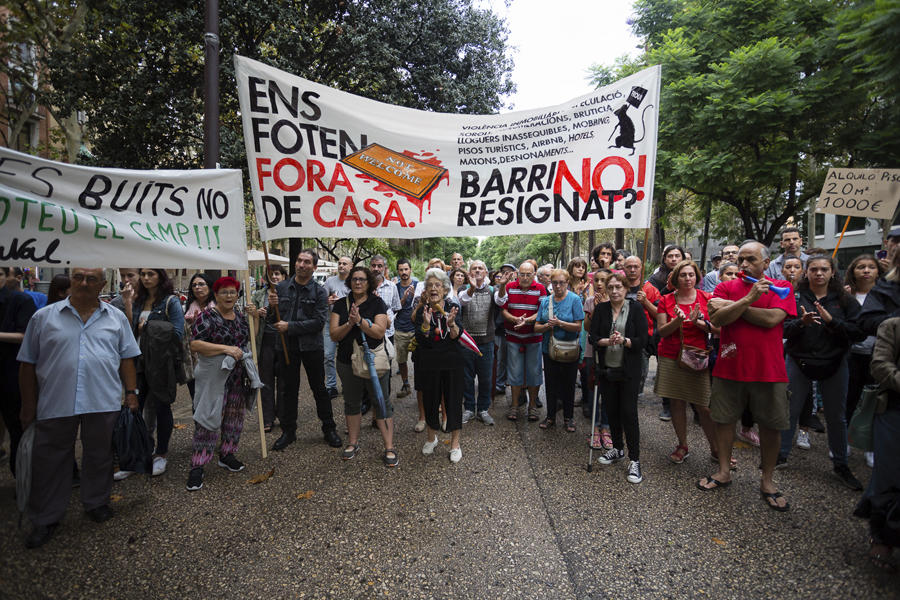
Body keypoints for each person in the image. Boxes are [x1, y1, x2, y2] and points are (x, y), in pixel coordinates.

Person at [18, 268, 140, 548]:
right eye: (78, 277)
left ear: (103, 284)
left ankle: (96, 502)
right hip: (56, 400)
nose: (84, 283)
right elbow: (27, 363)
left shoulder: (116, 317)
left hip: (102, 399)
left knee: (100, 455)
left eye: (92, 279)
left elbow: (127, 358)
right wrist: (28, 405)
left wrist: (131, 394)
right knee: (50, 460)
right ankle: (45, 517)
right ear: (71, 280)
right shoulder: (43, 317)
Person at [701, 242, 796, 512]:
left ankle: (767, 480)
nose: (743, 264)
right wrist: (746, 300)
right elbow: (717, 321)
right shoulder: (725, 286)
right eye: (741, 259)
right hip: (730, 368)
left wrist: (733, 308)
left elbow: (772, 319)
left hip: (769, 369)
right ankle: (723, 472)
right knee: (724, 420)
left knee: (770, 426)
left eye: (751, 259)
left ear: (766, 263)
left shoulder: (782, 287)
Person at [779, 254, 865, 488]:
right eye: (813, 269)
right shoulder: (794, 296)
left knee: (837, 417)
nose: (819, 273)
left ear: (832, 272)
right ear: (806, 272)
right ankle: (780, 455)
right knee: (790, 411)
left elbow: (859, 331)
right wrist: (801, 323)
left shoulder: (845, 299)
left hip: (834, 363)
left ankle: (841, 464)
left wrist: (832, 322)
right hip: (799, 361)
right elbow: (781, 328)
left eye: (824, 269)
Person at [654, 260, 727, 468]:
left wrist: (698, 323)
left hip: (697, 356)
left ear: (697, 277)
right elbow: (662, 331)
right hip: (671, 355)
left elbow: (721, 329)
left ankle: (716, 448)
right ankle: (682, 445)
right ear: (676, 278)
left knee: (703, 405)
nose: (688, 278)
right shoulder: (666, 300)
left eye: (691, 274)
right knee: (677, 403)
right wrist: (678, 321)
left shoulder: (708, 298)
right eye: (683, 275)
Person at [267, 248, 342, 451]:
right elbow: (273, 320)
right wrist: (271, 307)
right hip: (286, 347)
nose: (301, 265)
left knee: (319, 389)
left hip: (312, 347)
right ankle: (288, 431)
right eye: (299, 260)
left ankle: (329, 429)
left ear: (314, 267)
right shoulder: (280, 288)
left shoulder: (319, 292)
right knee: (289, 390)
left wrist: (289, 326)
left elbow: (318, 323)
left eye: (307, 262)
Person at [187, 277, 258, 490]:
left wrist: (255, 317)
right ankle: (197, 465)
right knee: (208, 418)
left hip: (237, 377)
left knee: (234, 419)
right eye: (224, 292)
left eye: (232, 292)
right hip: (213, 377)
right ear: (216, 295)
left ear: (237, 295)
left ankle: (227, 454)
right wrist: (226, 349)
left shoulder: (240, 317)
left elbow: (249, 339)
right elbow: (195, 345)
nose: (229, 296)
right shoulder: (207, 316)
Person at [117, 268, 183, 479]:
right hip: (137, 361)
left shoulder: (171, 302)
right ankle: (135, 455)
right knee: (133, 406)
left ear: (160, 276)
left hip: (160, 363)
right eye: (143, 274)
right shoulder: (138, 301)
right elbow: (129, 331)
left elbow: (177, 333)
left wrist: (148, 327)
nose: (146, 278)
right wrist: (128, 303)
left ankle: (161, 454)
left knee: (162, 407)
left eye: (151, 274)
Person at [329, 266, 397, 465]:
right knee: (351, 401)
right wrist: (349, 324)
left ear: (369, 282)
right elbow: (334, 334)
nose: (358, 282)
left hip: (374, 361)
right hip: (346, 361)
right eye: (354, 279)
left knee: (381, 401)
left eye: (362, 279)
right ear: (349, 282)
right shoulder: (341, 304)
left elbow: (379, 331)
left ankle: (389, 446)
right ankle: (353, 442)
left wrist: (359, 321)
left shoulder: (377, 303)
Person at [589, 273, 648, 484]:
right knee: (612, 410)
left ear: (626, 289)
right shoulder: (601, 309)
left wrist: (624, 341)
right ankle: (617, 448)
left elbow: (642, 340)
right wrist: (606, 341)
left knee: (629, 413)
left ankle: (635, 459)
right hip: (607, 369)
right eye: (611, 287)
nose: (614, 291)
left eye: (619, 287)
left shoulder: (636, 308)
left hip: (629, 370)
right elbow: (593, 337)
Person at [857, 317, 900, 573]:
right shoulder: (893, 326)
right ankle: (882, 538)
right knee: (889, 475)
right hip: (894, 409)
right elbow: (880, 366)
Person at [415, 268, 465, 462]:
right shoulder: (422, 311)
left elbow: (456, 336)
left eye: (438, 285)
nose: (433, 288)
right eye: (430, 285)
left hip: (452, 362)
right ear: (426, 290)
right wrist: (426, 325)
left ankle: (455, 444)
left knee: (454, 402)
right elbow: (421, 340)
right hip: (429, 363)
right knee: (430, 401)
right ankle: (431, 438)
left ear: (445, 289)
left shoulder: (453, 308)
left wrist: (451, 323)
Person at [844, 254, 885, 468]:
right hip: (851, 354)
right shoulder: (846, 294)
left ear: (879, 271)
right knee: (849, 399)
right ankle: (845, 441)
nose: (866, 270)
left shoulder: (885, 295)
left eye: (871, 267)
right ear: (853, 271)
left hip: (878, 356)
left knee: (874, 402)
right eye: (861, 267)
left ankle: (871, 446)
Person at [496, 261, 547, 422]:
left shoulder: (540, 288)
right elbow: (503, 311)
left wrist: (527, 321)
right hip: (513, 337)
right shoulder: (509, 287)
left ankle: (532, 406)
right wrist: (516, 319)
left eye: (528, 274)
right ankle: (514, 405)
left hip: (534, 337)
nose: (525, 277)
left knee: (534, 372)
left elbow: (542, 311)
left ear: (534, 275)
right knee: (514, 371)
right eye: (522, 274)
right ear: (517, 274)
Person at [535, 269, 584, 432]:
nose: (558, 286)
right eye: (555, 282)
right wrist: (546, 326)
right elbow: (536, 327)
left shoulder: (575, 299)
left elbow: (578, 326)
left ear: (567, 283)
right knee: (551, 383)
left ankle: (568, 417)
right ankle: (550, 416)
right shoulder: (546, 301)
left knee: (569, 383)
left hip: (570, 348)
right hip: (549, 348)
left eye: (561, 283)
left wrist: (560, 323)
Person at [0, 266, 37, 477]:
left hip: (10, 375)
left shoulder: (20, 301)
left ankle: (22, 479)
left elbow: (27, 336)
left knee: (17, 428)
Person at [459, 260, 502, 425]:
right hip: (467, 343)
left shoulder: (493, 290)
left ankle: (483, 409)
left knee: (485, 379)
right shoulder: (463, 289)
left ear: (485, 272)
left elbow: (501, 301)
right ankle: (469, 409)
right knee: (466, 378)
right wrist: (472, 287)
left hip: (486, 342)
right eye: (474, 268)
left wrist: (503, 286)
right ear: (469, 273)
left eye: (480, 268)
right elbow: (463, 301)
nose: (477, 270)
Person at [248, 266, 287, 432]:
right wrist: (257, 313)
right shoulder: (258, 295)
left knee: (284, 382)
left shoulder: (289, 293)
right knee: (266, 381)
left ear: (284, 276)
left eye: (277, 274)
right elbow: (250, 317)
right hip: (265, 341)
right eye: (271, 275)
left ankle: (284, 416)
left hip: (284, 341)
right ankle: (267, 418)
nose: (274, 277)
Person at [622, 256, 660, 394]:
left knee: (640, 373)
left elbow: (659, 314)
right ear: (624, 268)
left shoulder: (650, 289)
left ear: (641, 268)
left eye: (636, 267)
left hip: (642, 337)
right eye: (629, 267)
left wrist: (645, 302)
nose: (632, 270)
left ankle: (636, 396)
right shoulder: (618, 287)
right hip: (620, 335)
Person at [583, 270, 612, 447]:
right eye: (596, 280)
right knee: (593, 389)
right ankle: (594, 427)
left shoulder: (615, 300)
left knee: (608, 389)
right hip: (592, 351)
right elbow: (587, 326)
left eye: (603, 280)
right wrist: (596, 310)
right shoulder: (589, 301)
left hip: (611, 351)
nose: (599, 283)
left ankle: (606, 427)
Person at [322, 256, 353, 399]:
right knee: (328, 356)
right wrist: (327, 300)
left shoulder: (353, 282)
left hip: (348, 325)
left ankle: (347, 384)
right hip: (331, 323)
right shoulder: (330, 281)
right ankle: (331, 386)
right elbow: (321, 300)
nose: (341, 265)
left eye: (344, 264)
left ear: (350, 266)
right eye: (339, 263)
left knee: (348, 356)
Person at [183, 273, 217, 399]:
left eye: (201, 284)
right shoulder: (189, 307)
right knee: (195, 394)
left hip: (212, 355)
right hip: (193, 357)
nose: (197, 287)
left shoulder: (217, 306)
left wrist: (201, 322)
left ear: (209, 287)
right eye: (194, 285)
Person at [393, 258, 418, 400]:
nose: (404, 272)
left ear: (410, 270)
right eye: (401, 269)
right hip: (400, 328)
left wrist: (414, 297)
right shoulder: (395, 288)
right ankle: (406, 384)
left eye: (406, 269)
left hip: (415, 329)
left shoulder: (418, 285)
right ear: (398, 271)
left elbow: (422, 305)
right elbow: (394, 309)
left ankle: (420, 386)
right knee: (401, 359)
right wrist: (403, 298)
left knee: (419, 360)